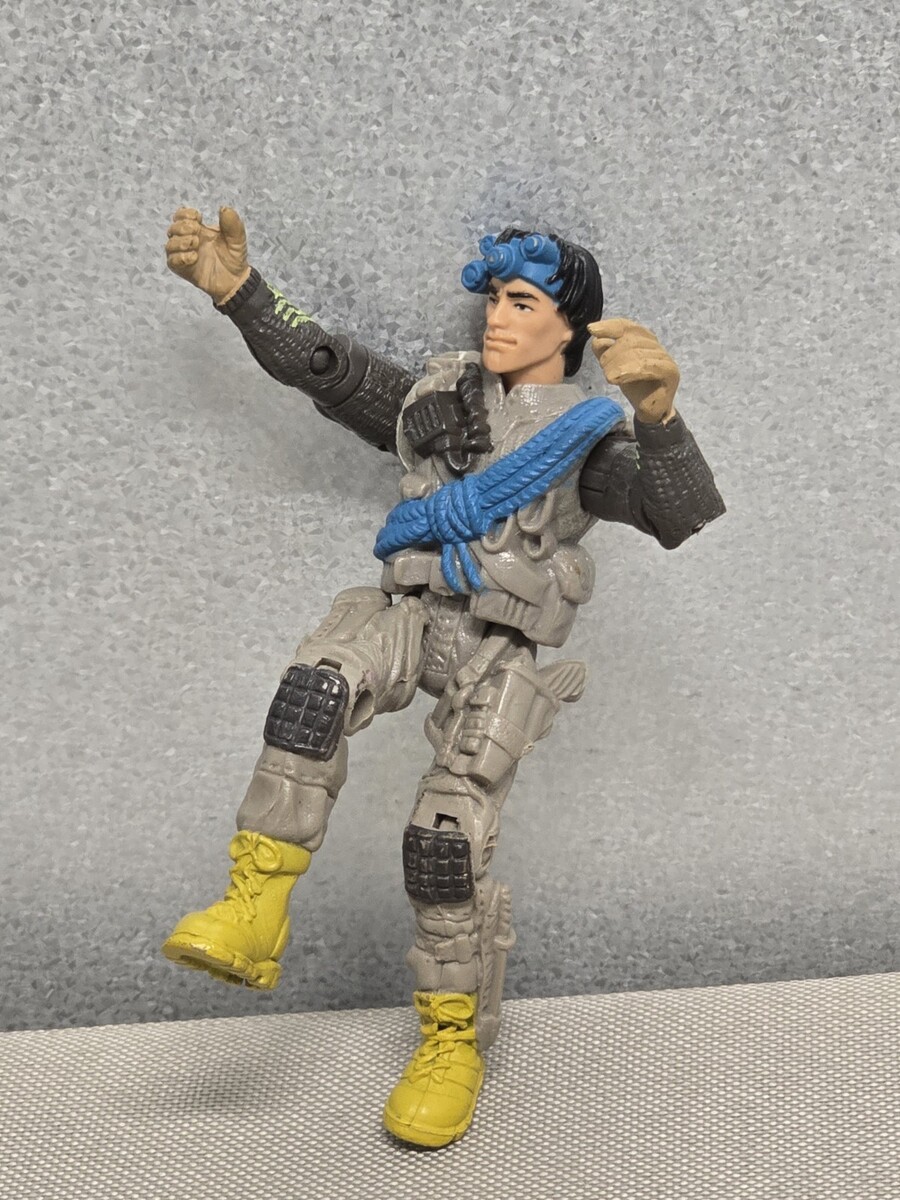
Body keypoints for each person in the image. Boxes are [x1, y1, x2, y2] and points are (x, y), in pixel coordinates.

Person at [162, 206, 725, 1147]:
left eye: (523, 302)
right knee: (316, 687)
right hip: (413, 614)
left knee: (444, 842)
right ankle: (255, 905)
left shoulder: (586, 437)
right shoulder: (437, 396)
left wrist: (661, 418)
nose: (498, 317)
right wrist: (242, 295)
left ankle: (451, 1038)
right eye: (494, 298)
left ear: (569, 326)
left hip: (497, 651)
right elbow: (328, 369)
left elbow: (680, 513)